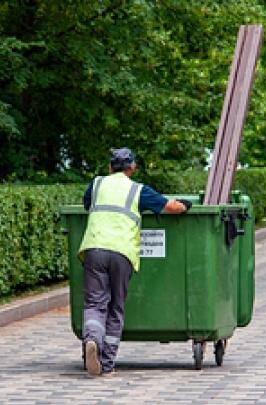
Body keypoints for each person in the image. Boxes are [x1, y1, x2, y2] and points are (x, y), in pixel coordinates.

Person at [78, 147, 191, 377]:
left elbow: (86, 204)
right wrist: (186, 205)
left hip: (94, 248)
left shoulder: (97, 184)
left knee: (94, 304)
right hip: (122, 252)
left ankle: (92, 340)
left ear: (110, 167)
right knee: (115, 307)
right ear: (132, 168)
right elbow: (172, 207)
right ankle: (107, 364)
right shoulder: (139, 190)